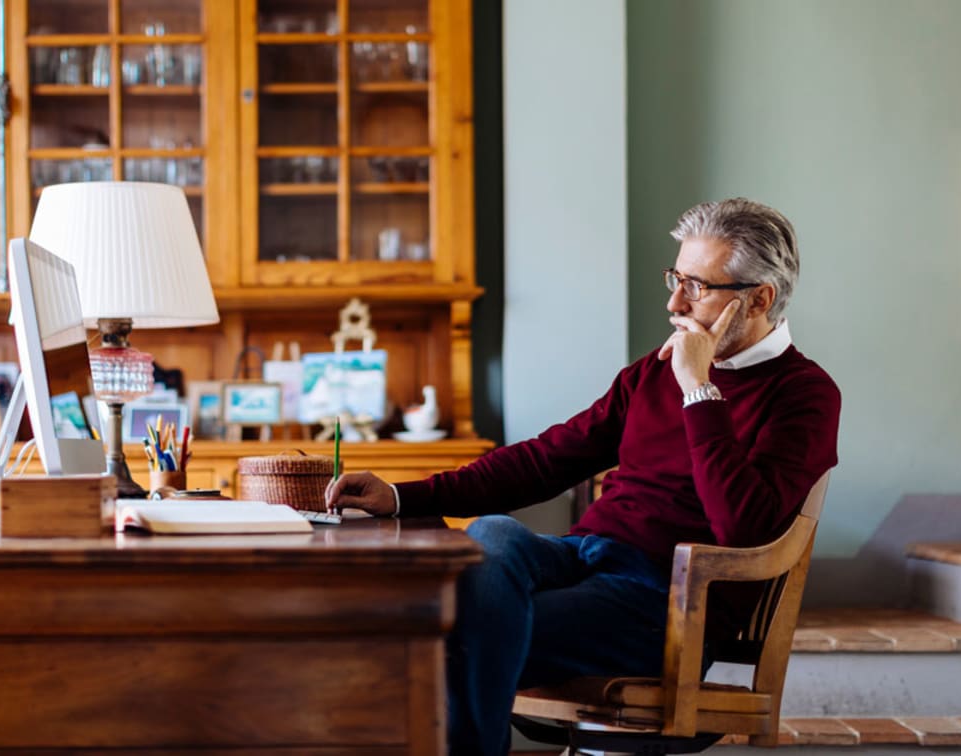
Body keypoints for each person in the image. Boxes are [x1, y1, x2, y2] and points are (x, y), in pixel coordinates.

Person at [325, 197, 841, 755]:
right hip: (581, 560)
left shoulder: (804, 394)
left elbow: (741, 523)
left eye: (697, 287)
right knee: (493, 534)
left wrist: (698, 387)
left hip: (663, 605)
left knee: (451, 626)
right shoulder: (651, 373)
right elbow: (548, 458)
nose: (673, 301)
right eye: (676, 278)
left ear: (758, 298)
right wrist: (402, 496)